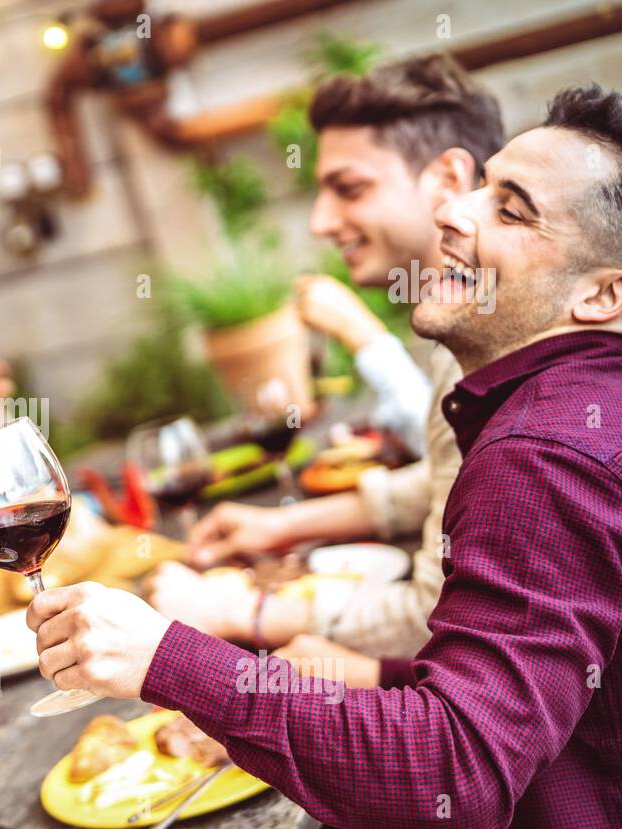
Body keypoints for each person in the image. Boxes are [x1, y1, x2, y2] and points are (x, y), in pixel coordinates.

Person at [28, 85, 622, 829]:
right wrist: (373, 676)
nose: (454, 211)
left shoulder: (544, 453)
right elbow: (545, 697)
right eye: (483, 187)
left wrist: (165, 657)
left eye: (511, 210)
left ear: (604, 293)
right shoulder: (597, 402)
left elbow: (461, 772)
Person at [146, 54, 504, 680]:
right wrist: (282, 525)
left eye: (350, 187)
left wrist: (240, 610)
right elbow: (450, 481)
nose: (320, 220)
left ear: (448, 177)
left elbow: (436, 614)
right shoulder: (468, 316)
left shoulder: (491, 338)